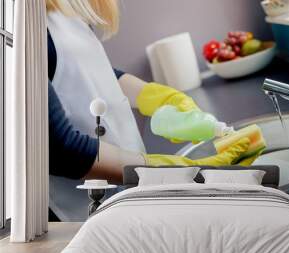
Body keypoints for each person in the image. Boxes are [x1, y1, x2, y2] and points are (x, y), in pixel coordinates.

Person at [46, 0, 258, 183]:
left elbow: (87, 71)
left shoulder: (64, 6)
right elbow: (60, 150)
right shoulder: (22, 25)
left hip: (127, 179)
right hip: (81, 207)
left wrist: (156, 97)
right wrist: (168, 170)